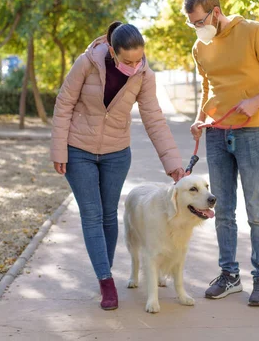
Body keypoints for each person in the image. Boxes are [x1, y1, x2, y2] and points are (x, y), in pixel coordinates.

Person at [51, 21, 185, 310]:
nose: (134, 65)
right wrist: (59, 149)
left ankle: (104, 269)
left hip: (116, 153)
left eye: (139, 60)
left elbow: (153, 117)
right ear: (112, 51)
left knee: (109, 215)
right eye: (128, 60)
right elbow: (64, 104)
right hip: (79, 149)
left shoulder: (144, 75)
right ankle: (106, 281)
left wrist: (173, 163)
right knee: (91, 214)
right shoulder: (87, 63)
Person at [183, 0, 259, 306]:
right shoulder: (199, 48)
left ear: (215, 12)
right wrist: (199, 118)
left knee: (257, 211)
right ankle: (229, 275)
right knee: (220, 210)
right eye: (191, 24)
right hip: (216, 134)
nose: (197, 29)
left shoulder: (254, 32)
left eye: (199, 22)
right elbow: (208, 88)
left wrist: (255, 101)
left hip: (250, 133)